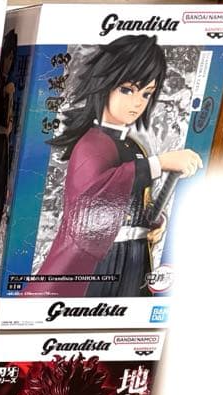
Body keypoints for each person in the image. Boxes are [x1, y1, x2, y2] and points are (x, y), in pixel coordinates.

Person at [34, 35, 203, 297]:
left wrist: (155, 220)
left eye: (146, 93)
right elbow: (93, 197)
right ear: (105, 84)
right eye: (127, 90)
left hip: (134, 255)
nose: (137, 102)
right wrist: (159, 163)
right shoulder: (90, 144)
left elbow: (137, 200)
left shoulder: (135, 147)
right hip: (100, 259)